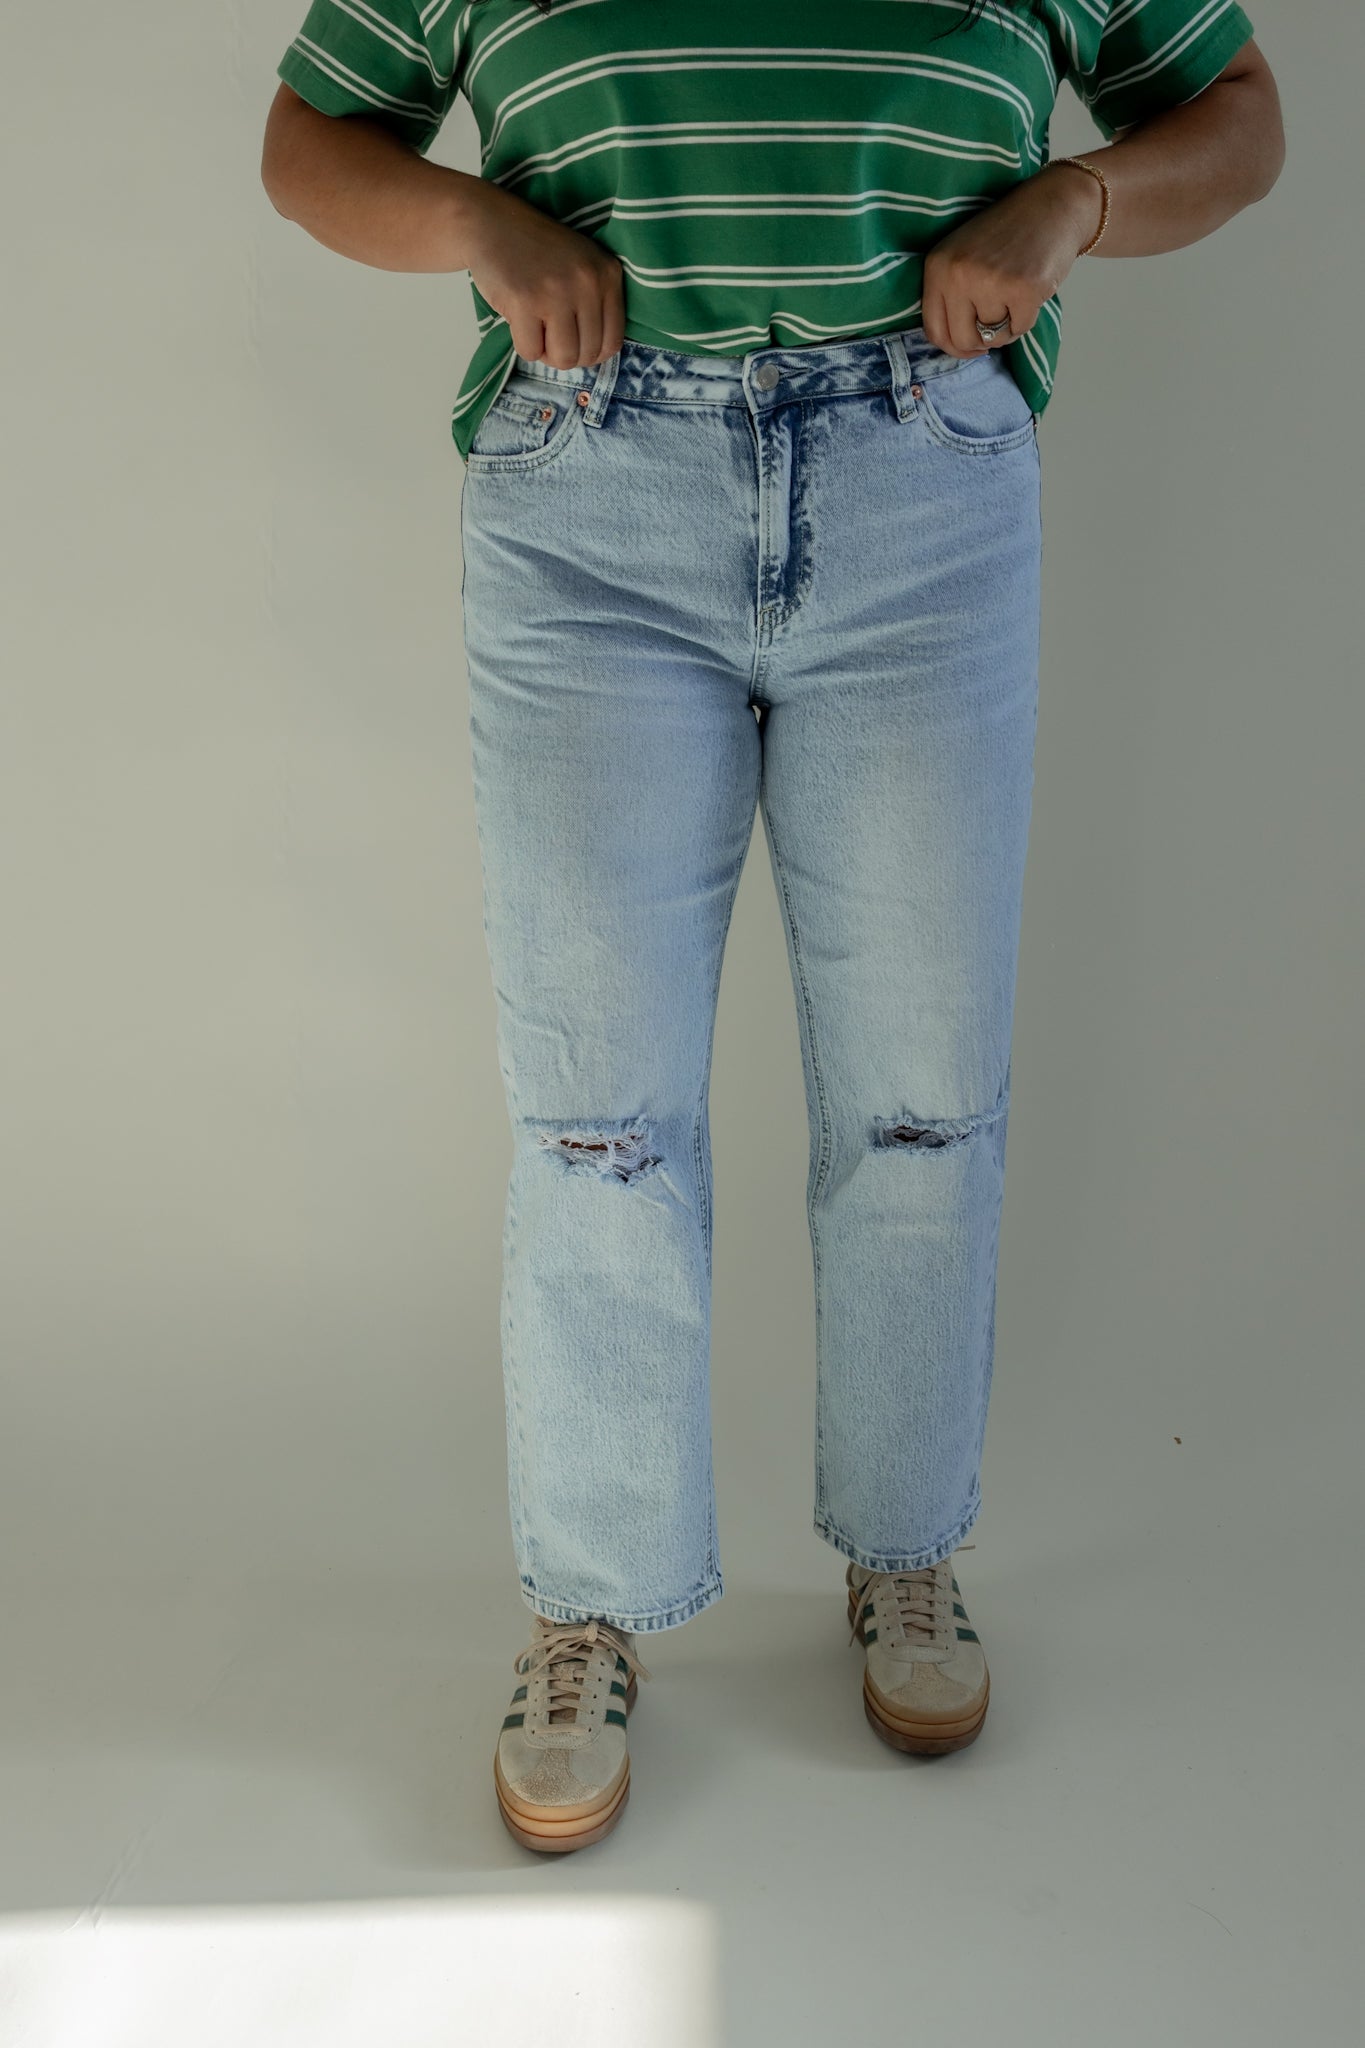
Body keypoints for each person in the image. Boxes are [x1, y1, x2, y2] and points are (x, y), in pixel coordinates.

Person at [261, 0, 1284, 1854]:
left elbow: (1231, 108)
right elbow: (309, 136)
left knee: (918, 1096)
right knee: (597, 1111)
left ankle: (904, 1548)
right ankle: (590, 1600)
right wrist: (477, 223)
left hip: (921, 482)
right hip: (590, 495)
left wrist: (1073, 200)